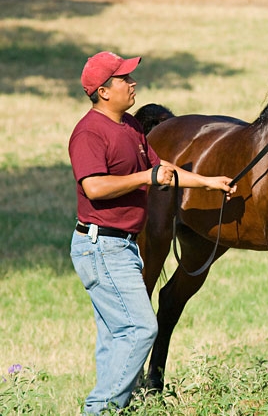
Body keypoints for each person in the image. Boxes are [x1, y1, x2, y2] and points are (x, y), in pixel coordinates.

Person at [68, 51, 236, 415]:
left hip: (122, 246)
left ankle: (111, 408)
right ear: (103, 91)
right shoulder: (89, 133)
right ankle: (100, 409)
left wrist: (208, 182)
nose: (133, 83)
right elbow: (94, 187)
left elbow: (162, 170)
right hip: (100, 246)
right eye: (124, 79)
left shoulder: (130, 126)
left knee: (115, 337)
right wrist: (145, 177)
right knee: (142, 329)